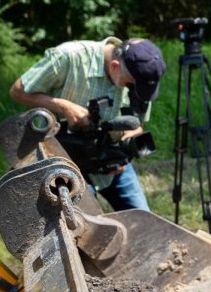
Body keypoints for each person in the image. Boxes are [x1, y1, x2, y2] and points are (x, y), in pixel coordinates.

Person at [10, 37, 166, 211]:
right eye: (130, 84)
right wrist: (64, 106)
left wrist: (126, 148)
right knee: (87, 230)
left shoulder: (141, 77)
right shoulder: (68, 57)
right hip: (68, 162)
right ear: (115, 66)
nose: (135, 89)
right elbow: (18, 91)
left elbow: (137, 124)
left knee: (144, 221)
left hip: (113, 165)